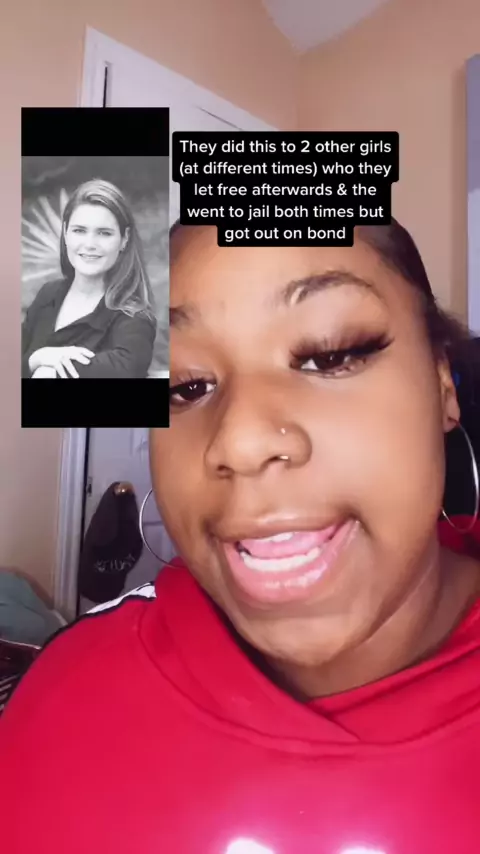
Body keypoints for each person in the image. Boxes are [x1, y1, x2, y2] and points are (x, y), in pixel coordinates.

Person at [2, 218, 480, 853]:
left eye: (330, 353)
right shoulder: (69, 702)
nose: (241, 441)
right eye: (185, 386)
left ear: (443, 384)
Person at [21, 179, 157, 379]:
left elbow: (126, 368)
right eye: (79, 230)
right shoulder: (48, 294)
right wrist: (38, 358)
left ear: (124, 239)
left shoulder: (134, 314)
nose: (90, 244)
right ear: (65, 233)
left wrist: (50, 372)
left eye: (104, 233)